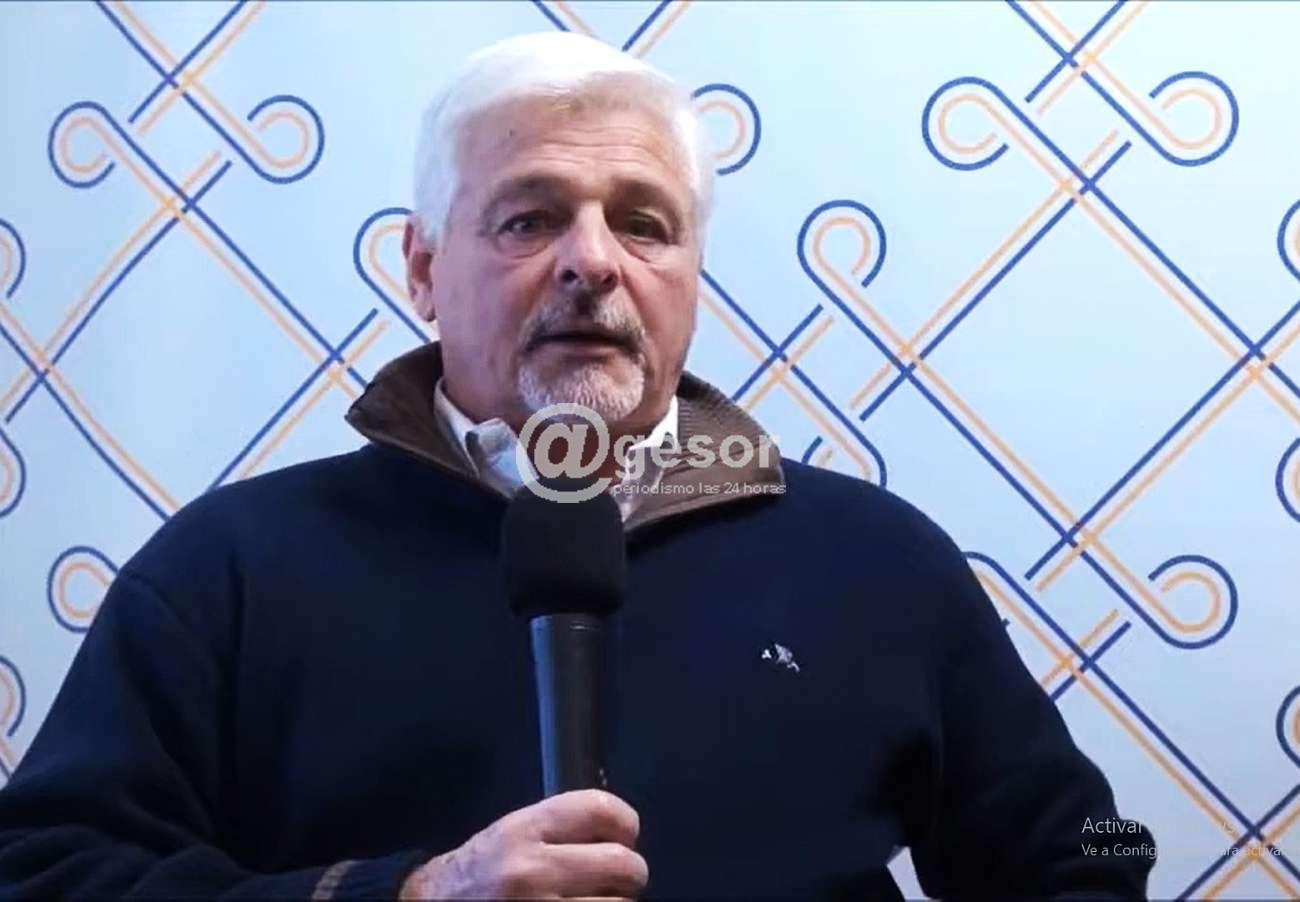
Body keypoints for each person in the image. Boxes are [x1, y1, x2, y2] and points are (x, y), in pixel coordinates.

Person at [0, 31, 1155, 900]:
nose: (591, 261)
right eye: (528, 218)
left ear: (690, 274)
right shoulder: (232, 565)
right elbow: (41, 868)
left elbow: (1100, 846)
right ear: (421, 267)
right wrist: (408, 892)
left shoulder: (879, 559)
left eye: (644, 223)